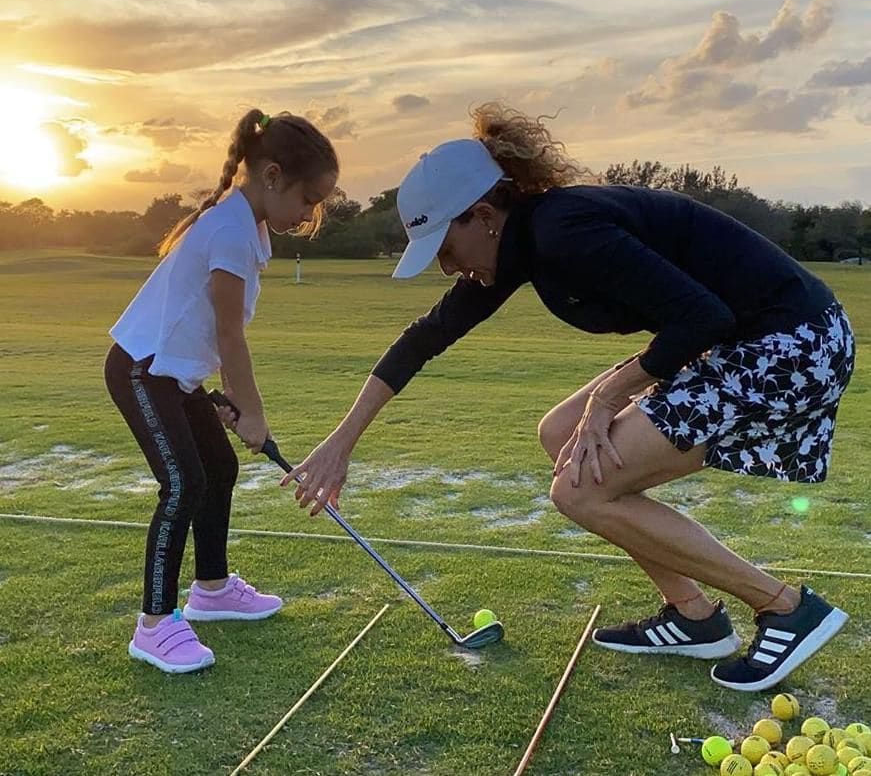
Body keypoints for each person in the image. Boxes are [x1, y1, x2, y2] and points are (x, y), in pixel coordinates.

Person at [285, 102, 854, 692]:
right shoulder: (517, 245)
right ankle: (694, 617)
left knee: (579, 491)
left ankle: (786, 606)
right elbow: (425, 338)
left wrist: (607, 398)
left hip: (793, 345)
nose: (447, 268)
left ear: (482, 216)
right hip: (741, 341)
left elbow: (702, 317)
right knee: (560, 433)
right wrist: (340, 445)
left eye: (444, 250)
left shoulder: (566, 230)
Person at [105, 109, 338, 673]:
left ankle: (210, 589)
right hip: (141, 370)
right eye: (309, 198)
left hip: (177, 375)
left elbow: (212, 331)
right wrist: (252, 413)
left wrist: (226, 395)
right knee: (183, 484)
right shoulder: (231, 229)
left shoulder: (248, 226)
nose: (311, 213)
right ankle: (155, 625)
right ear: (273, 176)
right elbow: (230, 333)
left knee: (219, 470)